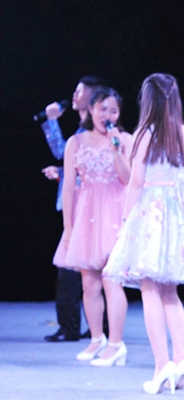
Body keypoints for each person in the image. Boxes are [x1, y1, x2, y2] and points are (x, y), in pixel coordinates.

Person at [102, 73, 184, 394]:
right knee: (170, 292)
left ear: (148, 101)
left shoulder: (145, 134)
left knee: (149, 289)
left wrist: (126, 222)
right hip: (182, 211)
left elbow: (136, 182)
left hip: (152, 211)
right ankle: (181, 360)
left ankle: (162, 365)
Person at [53, 87, 133, 366]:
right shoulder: (75, 142)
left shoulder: (124, 139)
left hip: (114, 213)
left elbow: (128, 179)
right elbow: (68, 187)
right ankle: (96, 339)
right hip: (86, 214)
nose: (107, 115)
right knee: (89, 283)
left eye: (113, 110)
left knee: (112, 281)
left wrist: (116, 150)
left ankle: (117, 344)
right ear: (92, 110)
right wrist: (68, 226)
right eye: (102, 109)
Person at [40, 75, 105, 342]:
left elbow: (94, 167)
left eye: (80, 91)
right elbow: (66, 156)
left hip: (89, 205)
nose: (74, 95)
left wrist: (64, 173)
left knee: (78, 268)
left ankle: (79, 327)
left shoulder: (98, 130)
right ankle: (86, 326)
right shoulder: (81, 131)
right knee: (79, 268)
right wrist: (50, 121)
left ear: (92, 98)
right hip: (79, 204)